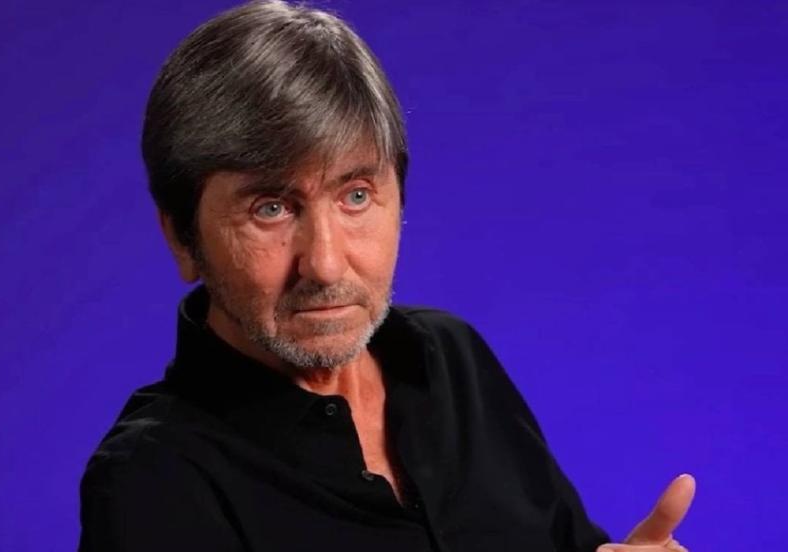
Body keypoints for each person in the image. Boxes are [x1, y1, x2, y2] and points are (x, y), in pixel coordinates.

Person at [78, 1, 695, 550]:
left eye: (355, 196)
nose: (325, 263)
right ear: (182, 238)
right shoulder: (151, 480)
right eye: (271, 208)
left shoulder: (452, 361)